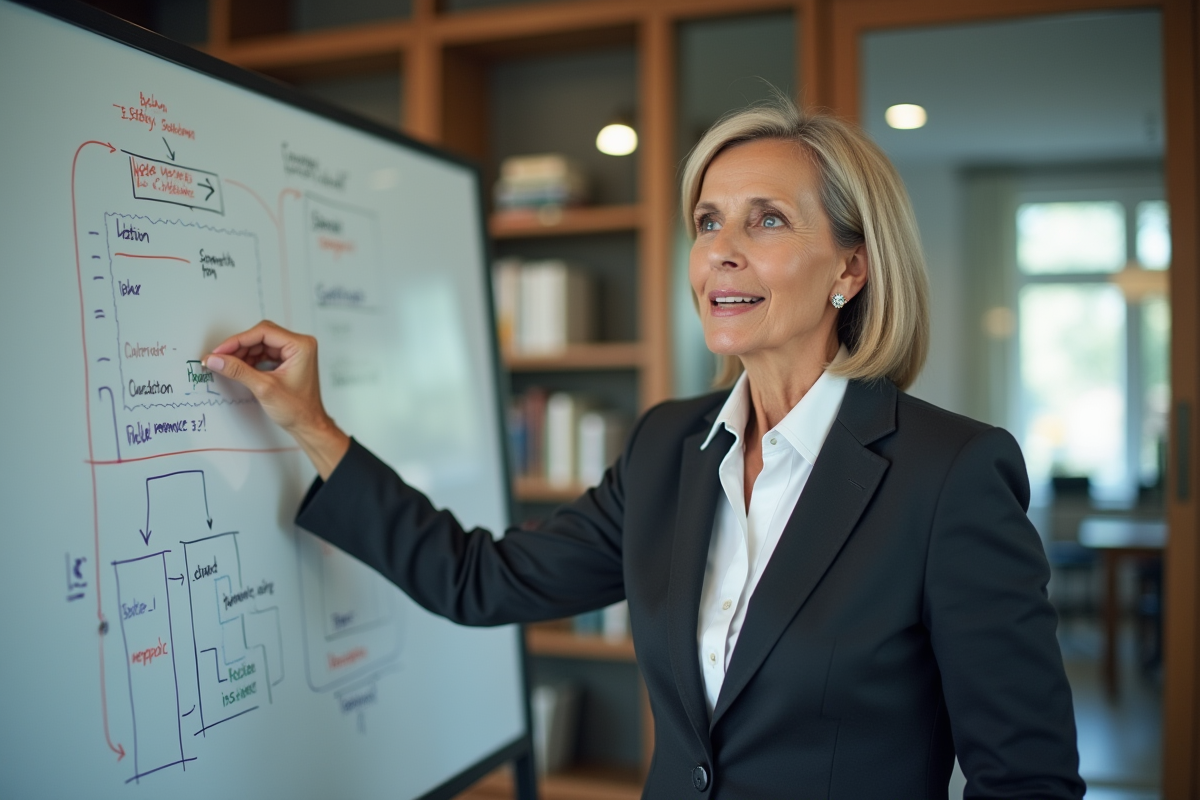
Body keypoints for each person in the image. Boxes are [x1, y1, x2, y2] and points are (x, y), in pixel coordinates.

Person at [204, 99, 1084, 799]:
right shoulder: (671, 444)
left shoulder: (952, 474)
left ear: (851, 270)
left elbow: (1026, 779)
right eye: (708, 222)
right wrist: (313, 427)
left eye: (766, 221)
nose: (721, 254)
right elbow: (480, 579)